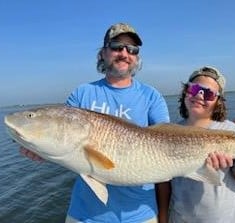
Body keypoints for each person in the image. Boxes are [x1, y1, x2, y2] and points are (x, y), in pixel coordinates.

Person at [20, 22, 170, 223]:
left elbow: (168, 144)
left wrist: (163, 216)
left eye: (132, 49)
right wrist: (40, 151)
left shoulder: (151, 97)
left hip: (140, 214)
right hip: (84, 215)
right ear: (103, 53)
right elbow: (64, 143)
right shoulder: (82, 93)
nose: (125, 53)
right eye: (117, 46)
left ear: (137, 57)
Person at [158, 66, 235, 223]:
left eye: (209, 94)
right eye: (194, 89)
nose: (200, 95)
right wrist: (163, 218)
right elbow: (164, 183)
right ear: (185, 92)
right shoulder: (168, 133)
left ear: (218, 101)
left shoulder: (232, 130)